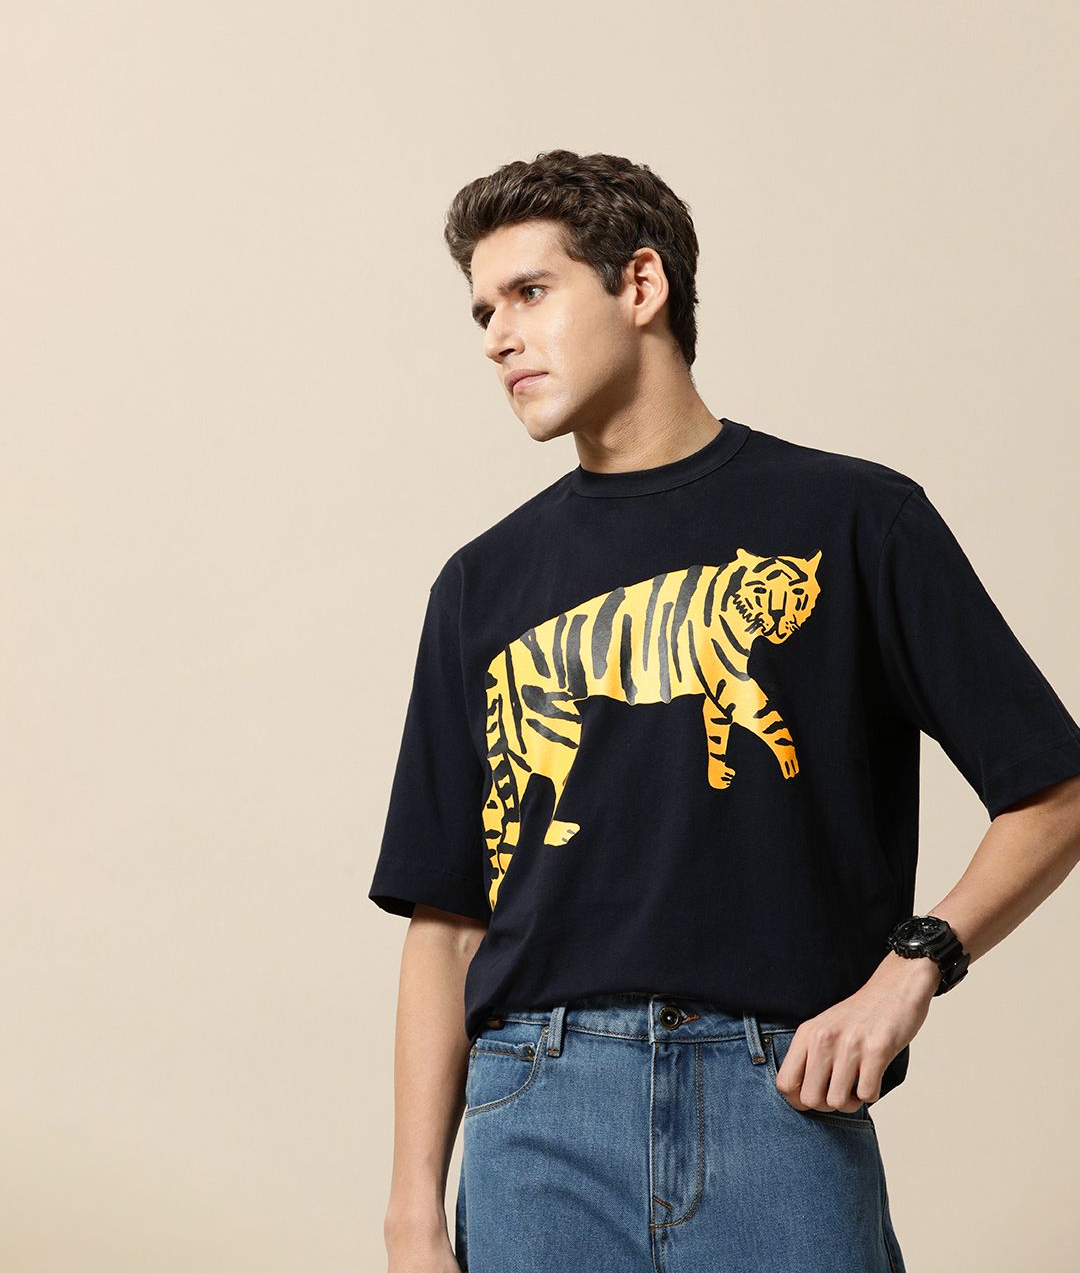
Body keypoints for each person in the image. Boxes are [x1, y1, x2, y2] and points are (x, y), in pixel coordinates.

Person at [369, 149, 1080, 1273]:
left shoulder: (856, 519)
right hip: (534, 1113)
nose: (497, 336)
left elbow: (1055, 792)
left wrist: (914, 966)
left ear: (640, 285)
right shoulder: (482, 583)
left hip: (780, 1101)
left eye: (530, 293)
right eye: (483, 311)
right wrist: (413, 1208)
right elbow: (447, 920)